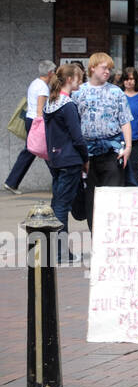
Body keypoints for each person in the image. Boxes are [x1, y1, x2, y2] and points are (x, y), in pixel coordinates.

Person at [72, 52, 132, 230]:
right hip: (87, 154)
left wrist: (128, 147)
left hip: (112, 151)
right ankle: (95, 236)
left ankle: (113, 234)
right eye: (104, 67)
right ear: (92, 68)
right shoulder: (79, 92)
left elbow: (125, 120)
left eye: (109, 68)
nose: (108, 71)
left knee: (113, 197)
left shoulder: (116, 92)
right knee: (91, 199)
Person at [42, 64, 87, 261]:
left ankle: (56, 251)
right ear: (70, 79)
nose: (81, 81)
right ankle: (60, 253)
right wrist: (85, 159)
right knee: (62, 205)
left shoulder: (50, 103)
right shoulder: (67, 105)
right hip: (70, 160)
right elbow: (77, 137)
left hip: (55, 159)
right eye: (79, 77)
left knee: (57, 203)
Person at [4, 59, 55, 194]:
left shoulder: (34, 83)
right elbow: (40, 107)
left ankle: (12, 182)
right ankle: (59, 181)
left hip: (29, 119)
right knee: (44, 149)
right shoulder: (43, 87)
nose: (54, 75)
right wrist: (41, 124)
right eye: (54, 72)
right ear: (50, 73)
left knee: (32, 150)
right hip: (36, 120)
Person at [118, 67, 138, 187]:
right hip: (120, 140)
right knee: (120, 170)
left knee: (135, 171)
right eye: (126, 79)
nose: (129, 82)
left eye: (132, 79)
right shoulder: (117, 95)